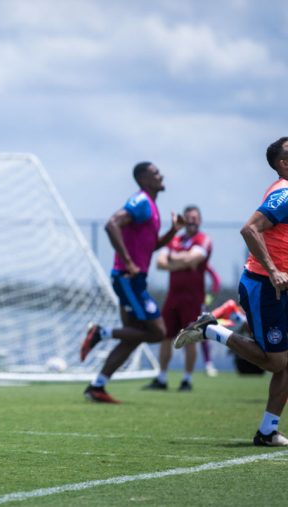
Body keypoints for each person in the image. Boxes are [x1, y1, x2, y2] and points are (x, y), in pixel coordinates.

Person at [175, 137, 288, 447]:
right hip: (265, 286)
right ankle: (211, 330)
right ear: (283, 164)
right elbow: (249, 229)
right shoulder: (284, 193)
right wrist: (274, 270)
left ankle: (267, 431)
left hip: (280, 285)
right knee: (276, 363)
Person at [79, 162, 184, 403]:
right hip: (129, 278)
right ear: (143, 179)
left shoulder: (151, 207)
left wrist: (173, 231)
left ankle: (97, 386)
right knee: (157, 332)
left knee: (134, 336)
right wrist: (127, 261)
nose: (161, 175)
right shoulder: (141, 201)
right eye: (155, 173)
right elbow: (111, 224)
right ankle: (101, 333)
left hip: (134, 278)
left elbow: (151, 246)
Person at [144, 205, 212, 392]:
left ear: (200, 220)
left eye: (194, 218)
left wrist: (173, 258)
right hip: (172, 297)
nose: (191, 221)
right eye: (188, 218)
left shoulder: (203, 240)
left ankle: (186, 380)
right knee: (165, 336)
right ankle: (162, 378)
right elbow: (160, 263)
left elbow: (193, 259)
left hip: (192, 298)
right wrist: (182, 260)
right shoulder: (174, 239)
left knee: (190, 338)